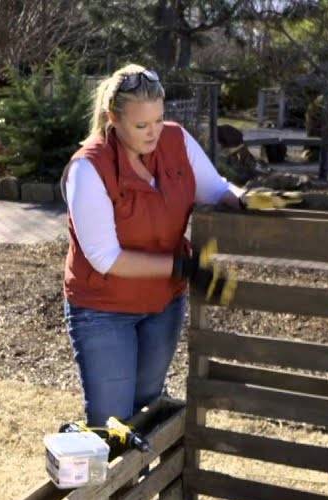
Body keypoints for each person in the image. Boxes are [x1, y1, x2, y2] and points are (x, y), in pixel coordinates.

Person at [61, 64, 246, 427]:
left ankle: (142, 482)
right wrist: (183, 267)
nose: (153, 133)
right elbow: (105, 258)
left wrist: (246, 199)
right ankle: (112, 484)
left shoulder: (175, 140)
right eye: (141, 126)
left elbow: (216, 189)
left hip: (162, 305)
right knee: (112, 421)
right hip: (104, 310)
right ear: (113, 118)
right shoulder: (89, 169)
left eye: (159, 121)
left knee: (148, 411)